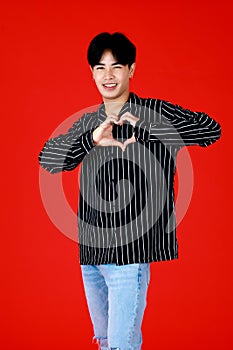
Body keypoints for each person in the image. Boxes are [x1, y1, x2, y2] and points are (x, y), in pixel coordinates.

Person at [39, 32, 221, 350]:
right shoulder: (89, 122)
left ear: (131, 69)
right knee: (108, 343)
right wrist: (91, 139)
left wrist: (146, 126)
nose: (108, 75)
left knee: (122, 345)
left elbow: (210, 129)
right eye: (100, 67)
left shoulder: (154, 112)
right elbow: (49, 159)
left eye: (116, 66)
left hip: (129, 255)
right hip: (91, 255)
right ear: (92, 73)